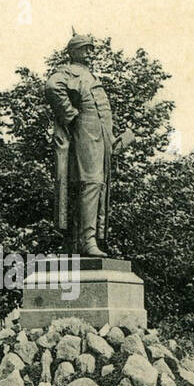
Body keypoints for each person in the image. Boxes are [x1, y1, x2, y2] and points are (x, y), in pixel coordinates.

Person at [44, 33, 123, 257]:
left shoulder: (90, 76)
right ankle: (86, 241)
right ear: (73, 51)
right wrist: (70, 115)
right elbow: (52, 87)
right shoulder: (67, 71)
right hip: (84, 136)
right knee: (89, 184)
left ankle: (90, 238)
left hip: (100, 139)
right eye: (84, 48)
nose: (89, 52)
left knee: (98, 187)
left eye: (91, 48)